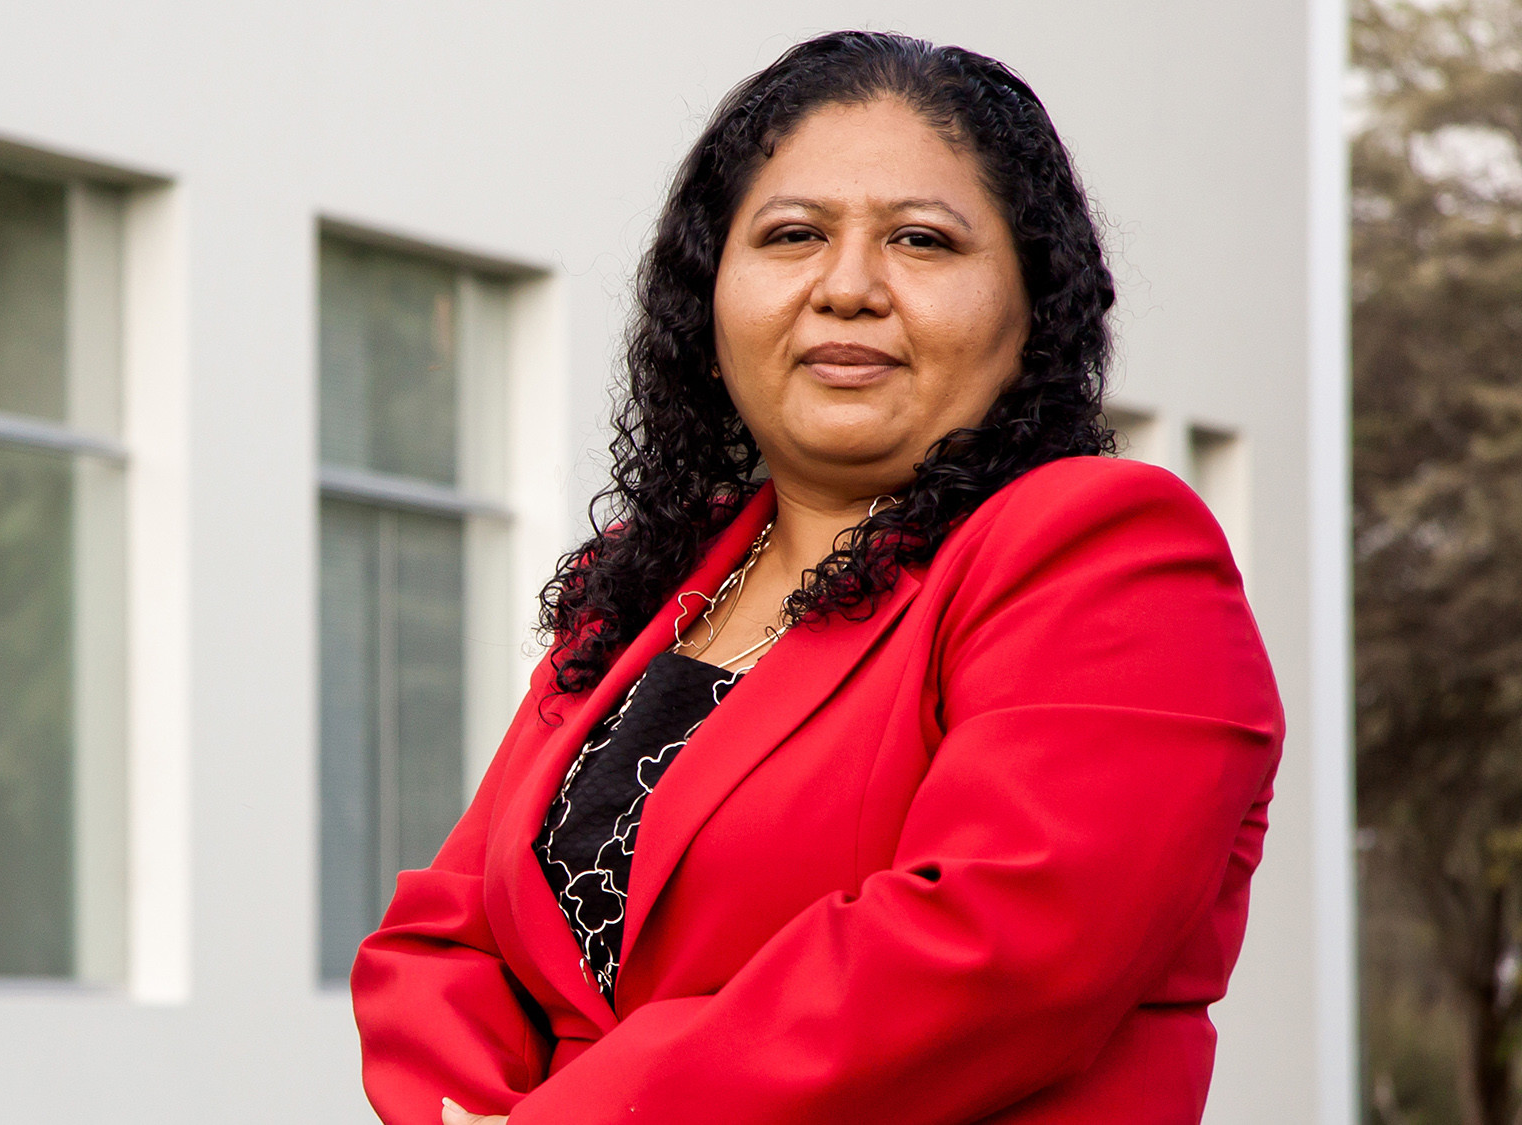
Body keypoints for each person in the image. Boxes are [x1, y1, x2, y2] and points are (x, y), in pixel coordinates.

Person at [350, 29, 1281, 1125]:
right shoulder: (646, 581)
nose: (847, 287)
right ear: (709, 298)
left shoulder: (1103, 550)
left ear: (1033, 308)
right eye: (793, 235)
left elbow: (998, 953)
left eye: (922, 241)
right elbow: (448, 936)